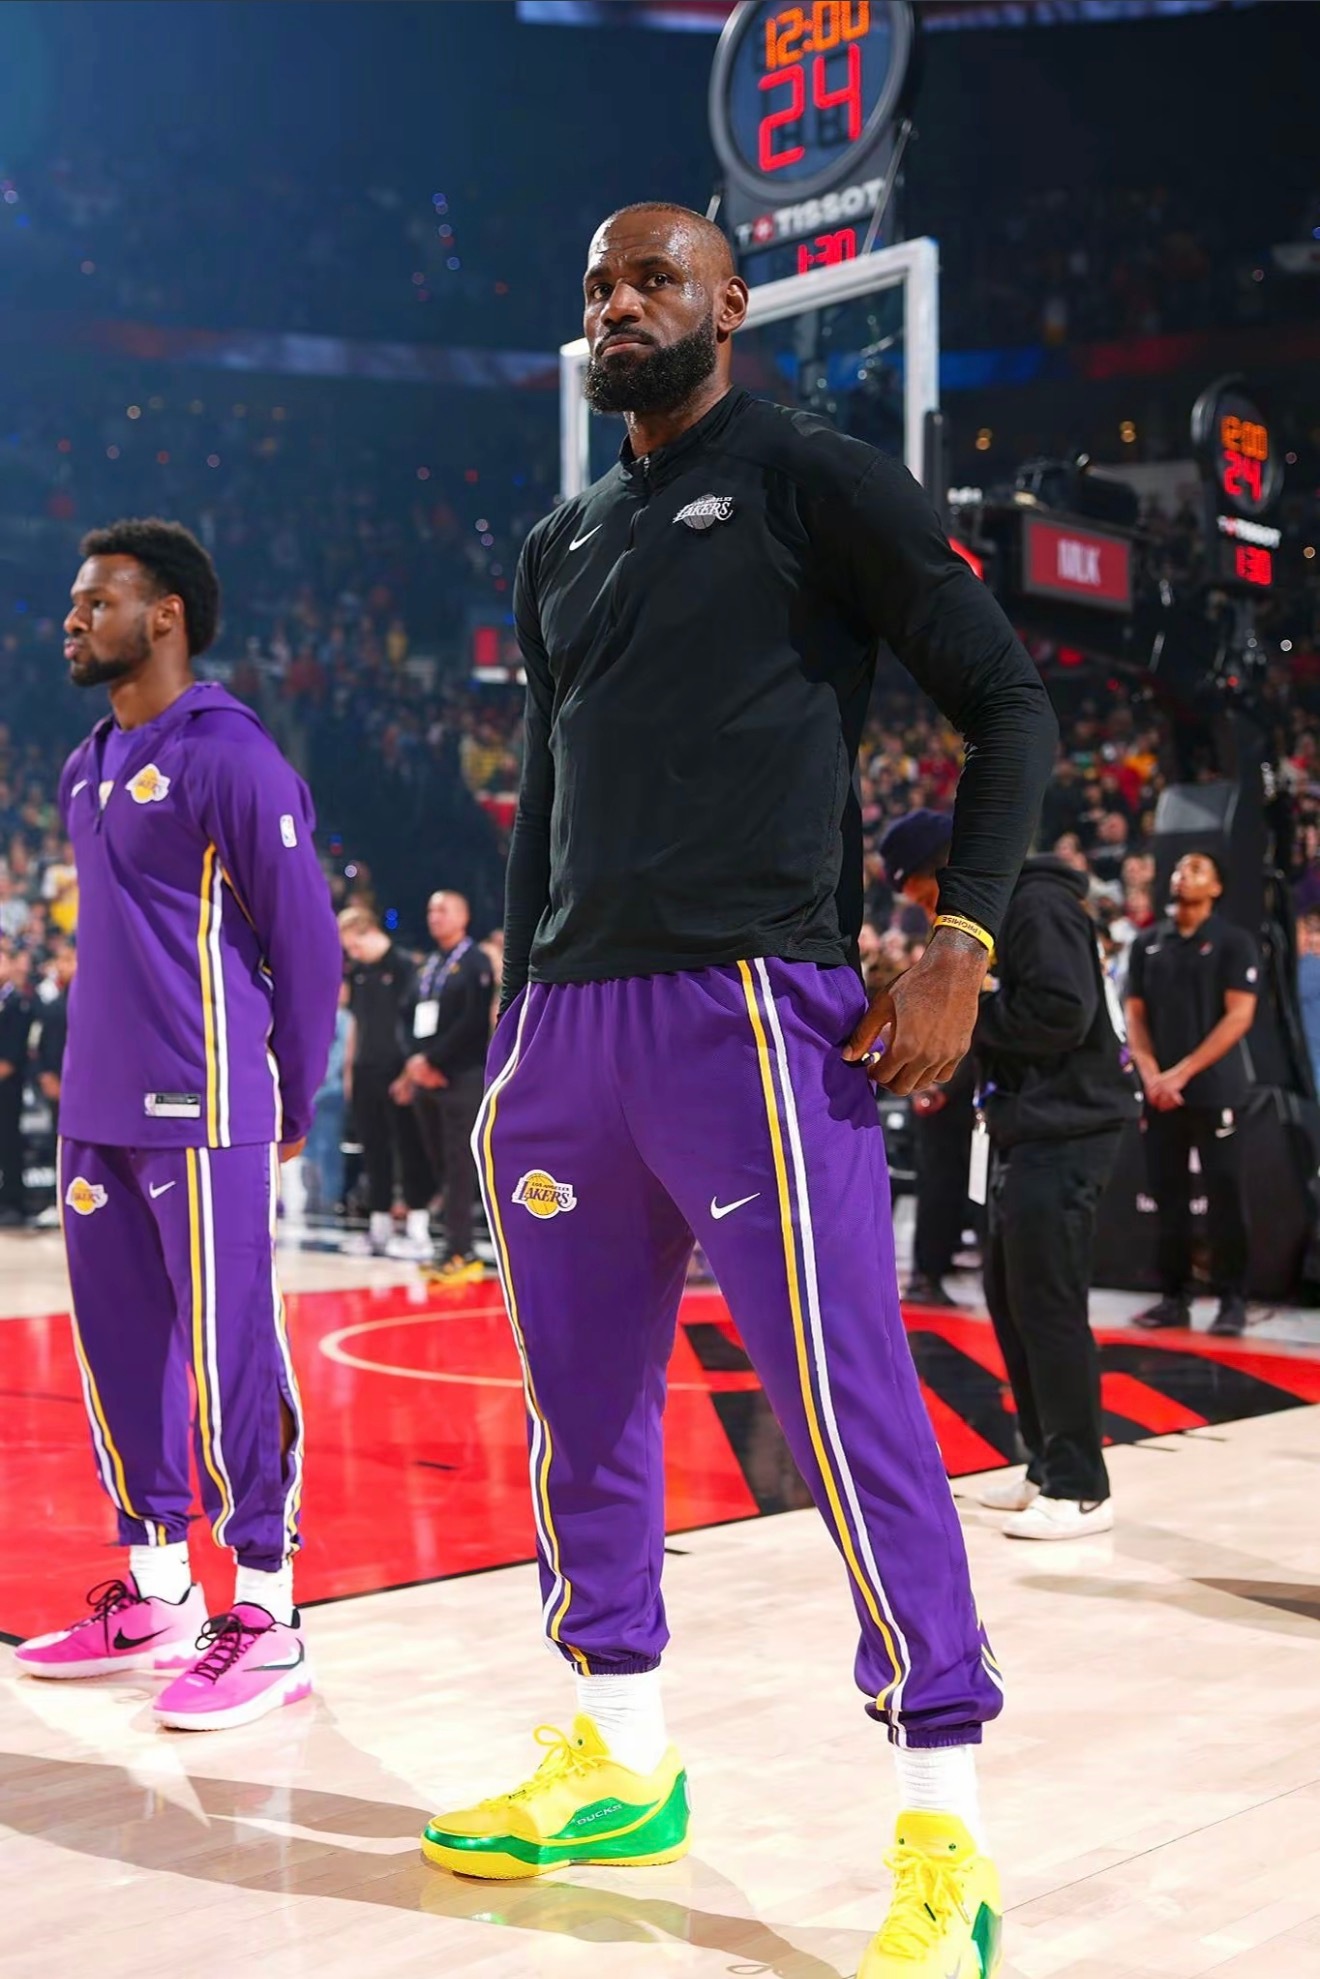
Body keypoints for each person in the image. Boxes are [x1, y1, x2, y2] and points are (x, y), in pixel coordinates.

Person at [420, 203, 1057, 1979]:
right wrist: (517, 1014)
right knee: (582, 1406)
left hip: (752, 1010)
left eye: (655, 279)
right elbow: (549, 789)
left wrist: (966, 934)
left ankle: (945, 1826)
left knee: (848, 1410)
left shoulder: (812, 476)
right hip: (569, 1023)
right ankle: (620, 1753)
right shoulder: (561, 539)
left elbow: (1007, 700)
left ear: (731, 302)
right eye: (599, 284)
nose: (619, 303)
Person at [15, 518, 341, 1727]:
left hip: (204, 1101)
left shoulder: (232, 756)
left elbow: (307, 944)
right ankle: (155, 1591)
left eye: (96, 601)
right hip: (96, 1109)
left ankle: (268, 1608)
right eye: (74, 602)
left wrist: (290, 1089)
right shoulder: (85, 764)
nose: (72, 619)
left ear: (165, 616)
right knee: (118, 1356)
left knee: (231, 1354)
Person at [973, 855, 1139, 1539]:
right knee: (1009, 1293)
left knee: (1047, 1303)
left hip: (1069, 1127)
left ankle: (1081, 1487)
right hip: (1032, 1127)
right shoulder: (1020, 908)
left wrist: (971, 1007)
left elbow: (1064, 1011)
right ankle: (1046, 1465)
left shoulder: (1035, 904)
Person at [1125, 850, 1259, 1336]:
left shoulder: (1234, 942)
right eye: (1181, 868)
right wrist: (1150, 1074)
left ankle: (1232, 1299)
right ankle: (1173, 1297)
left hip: (1215, 1090)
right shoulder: (1147, 943)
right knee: (1168, 1196)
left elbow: (1239, 1017)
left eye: (1198, 869)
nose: (1185, 874)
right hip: (1159, 1092)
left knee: (1225, 1195)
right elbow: (1134, 1015)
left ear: (1217, 887)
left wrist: (1180, 1074)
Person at [880, 809, 976, 1307]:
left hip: (986, 1078)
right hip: (952, 1078)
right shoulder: (948, 931)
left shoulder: (993, 916)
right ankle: (927, 1272)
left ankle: (941, 1264)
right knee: (939, 1175)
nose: (926, 908)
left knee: (961, 1180)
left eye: (924, 895)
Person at [394, 889, 493, 1286]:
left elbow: (473, 1022)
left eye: (443, 910)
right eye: (431, 910)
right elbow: (405, 1016)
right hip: (426, 1078)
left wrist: (433, 1060)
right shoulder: (429, 964)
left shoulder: (474, 962)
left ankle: (460, 1250)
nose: (435, 916)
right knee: (440, 1165)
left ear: (463, 917)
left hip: (460, 1076)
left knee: (459, 1165)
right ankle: (448, 1243)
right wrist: (415, 1062)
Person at [338, 904, 435, 1259]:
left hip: (399, 1070)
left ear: (368, 930)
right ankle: (377, 1229)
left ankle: (418, 1230)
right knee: (373, 1149)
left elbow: (419, 1025)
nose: (352, 953)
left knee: (409, 1150)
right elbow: (356, 1024)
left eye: (354, 945)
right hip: (366, 1070)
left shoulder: (406, 966)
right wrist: (350, 1069)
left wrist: (410, 1073)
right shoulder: (360, 972)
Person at [0, 943, 31, 1225]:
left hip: (7, 1089)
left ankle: (13, 1202)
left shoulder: (17, 1002)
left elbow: (11, 1056)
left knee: (8, 1143)